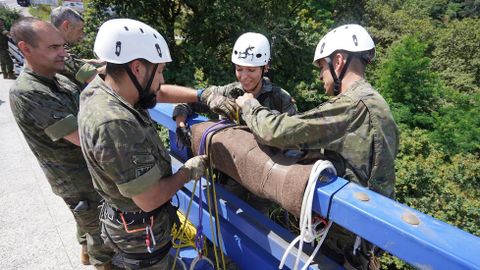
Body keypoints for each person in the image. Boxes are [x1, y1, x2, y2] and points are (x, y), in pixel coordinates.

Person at [236, 24, 399, 269]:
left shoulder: (351, 106)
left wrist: (249, 105)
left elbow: (275, 131)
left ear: (339, 61)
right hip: (366, 236)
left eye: (322, 66)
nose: (321, 75)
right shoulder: (379, 104)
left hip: (344, 237)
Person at [77, 18, 208, 269]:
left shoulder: (102, 88)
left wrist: (200, 94)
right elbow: (150, 198)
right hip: (140, 234)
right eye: (159, 71)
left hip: (122, 221)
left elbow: (156, 91)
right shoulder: (114, 123)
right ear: (137, 68)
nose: (161, 79)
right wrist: (188, 172)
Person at [8, 17, 114, 269]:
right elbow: (83, 138)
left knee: (87, 222)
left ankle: (85, 253)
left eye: (62, 46)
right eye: (54, 48)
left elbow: (90, 72)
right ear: (25, 49)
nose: (62, 53)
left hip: (86, 174)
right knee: (103, 236)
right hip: (76, 180)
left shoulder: (55, 69)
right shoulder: (29, 92)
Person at [168, 32, 297, 148]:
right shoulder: (229, 92)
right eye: (239, 69)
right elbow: (188, 101)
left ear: (265, 68)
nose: (244, 77)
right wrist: (180, 126)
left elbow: (295, 136)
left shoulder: (280, 98)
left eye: (251, 70)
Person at [50, 6, 103, 87]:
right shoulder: (58, 51)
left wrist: (94, 61)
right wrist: (117, 66)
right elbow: (92, 76)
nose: (81, 35)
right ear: (66, 26)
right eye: (80, 30)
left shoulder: (51, 44)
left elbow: (74, 62)